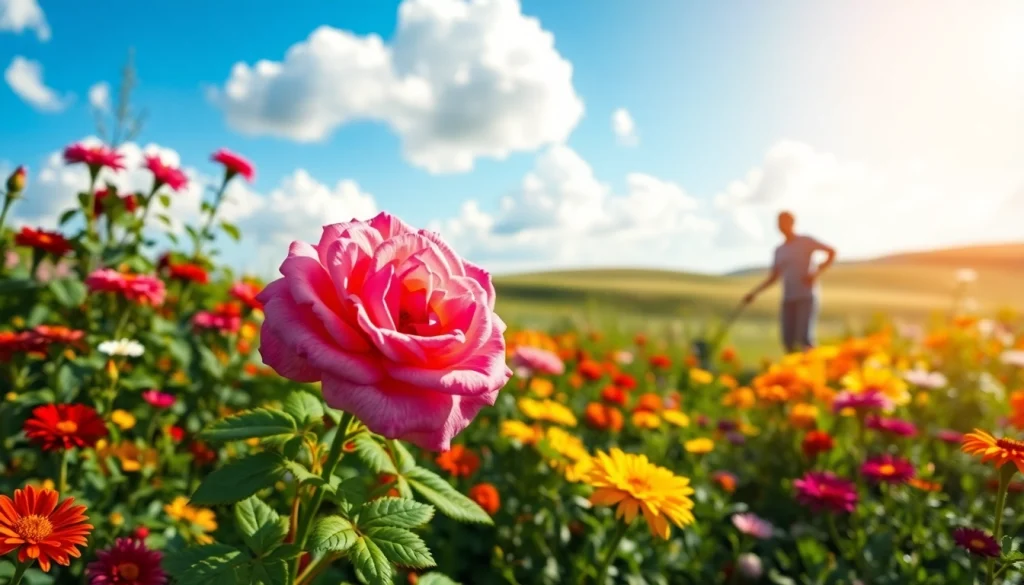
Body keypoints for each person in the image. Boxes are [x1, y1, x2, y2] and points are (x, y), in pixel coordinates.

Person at [742, 211, 836, 353]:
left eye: (785, 222)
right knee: (788, 341)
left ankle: (814, 370)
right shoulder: (780, 250)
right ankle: (790, 372)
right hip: (788, 298)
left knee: (805, 339)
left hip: (806, 296)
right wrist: (754, 293)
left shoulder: (805, 241)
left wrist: (815, 273)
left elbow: (831, 252)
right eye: (779, 222)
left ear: (793, 223)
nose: (782, 226)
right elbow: (773, 277)